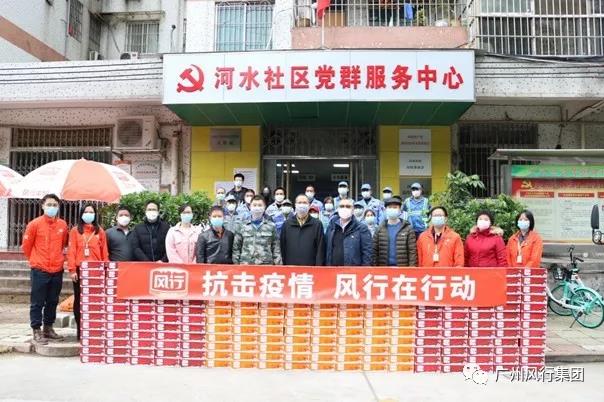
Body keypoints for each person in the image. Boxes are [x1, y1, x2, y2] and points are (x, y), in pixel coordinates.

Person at [22, 194, 69, 345]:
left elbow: (63, 244)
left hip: (57, 269)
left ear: (58, 207)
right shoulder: (34, 224)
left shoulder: (62, 225)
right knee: (37, 302)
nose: (52, 207)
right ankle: (36, 330)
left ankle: (48, 328)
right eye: (49, 204)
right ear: (42, 206)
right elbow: (27, 247)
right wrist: (35, 260)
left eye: (55, 205)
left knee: (52, 301)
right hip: (39, 269)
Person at [67, 203, 109, 340]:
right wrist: (72, 270)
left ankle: (94, 330)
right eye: (86, 212)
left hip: (96, 270)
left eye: (91, 212)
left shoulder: (99, 231)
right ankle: (81, 331)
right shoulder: (75, 231)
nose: (89, 214)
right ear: (81, 214)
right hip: (80, 270)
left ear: (95, 215)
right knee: (79, 300)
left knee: (95, 300)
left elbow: (104, 252)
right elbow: (72, 251)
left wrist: (106, 269)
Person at [233, 195, 282, 265]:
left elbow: (276, 248)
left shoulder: (271, 226)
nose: (257, 208)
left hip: (266, 265)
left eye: (260, 205)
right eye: (254, 205)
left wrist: (278, 265)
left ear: (264, 207)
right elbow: (236, 248)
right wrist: (236, 265)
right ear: (250, 207)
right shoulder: (242, 225)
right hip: (246, 265)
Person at [325, 198, 372, 266]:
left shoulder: (362, 228)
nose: (344, 208)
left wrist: (364, 270)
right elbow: (327, 249)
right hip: (333, 270)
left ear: (353, 210)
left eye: (348, 206)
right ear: (337, 209)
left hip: (353, 271)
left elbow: (367, 253)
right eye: (342, 206)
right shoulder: (331, 226)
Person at [280, 194, 325, 266]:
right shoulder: (287, 224)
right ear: (295, 205)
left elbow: (320, 248)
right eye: (299, 202)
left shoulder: (317, 224)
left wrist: (318, 267)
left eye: (304, 203)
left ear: (309, 205)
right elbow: (282, 247)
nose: (302, 205)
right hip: (291, 267)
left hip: (310, 268)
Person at [372, 196, 417, 266]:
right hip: (383, 268)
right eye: (389, 207)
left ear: (400, 210)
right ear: (385, 210)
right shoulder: (379, 229)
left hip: (402, 268)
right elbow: (374, 250)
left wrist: (412, 269)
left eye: (395, 207)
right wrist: (375, 268)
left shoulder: (408, 228)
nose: (392, 209)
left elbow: (412, 251)